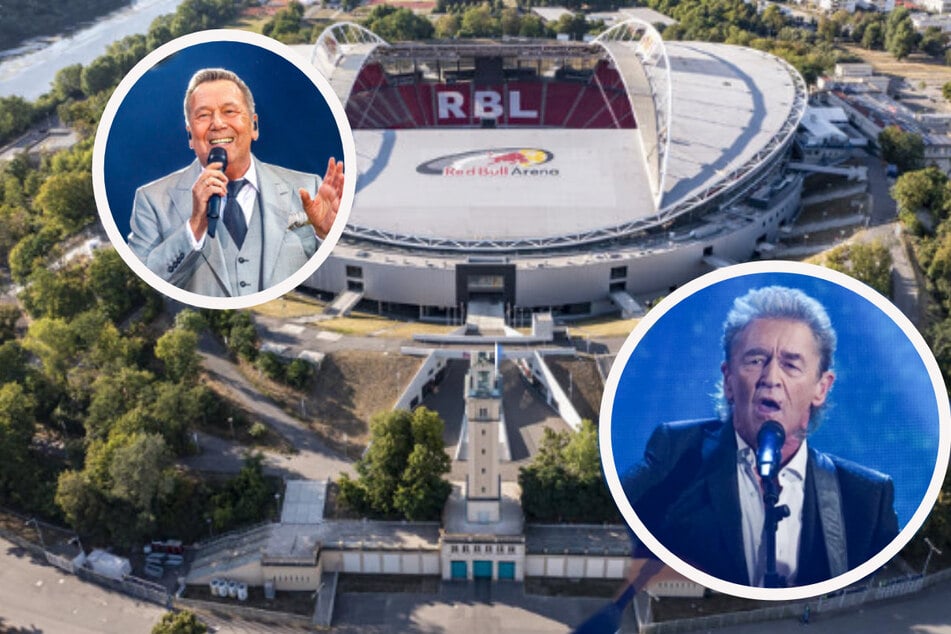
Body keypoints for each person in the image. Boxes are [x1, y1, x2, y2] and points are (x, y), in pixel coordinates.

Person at [621, 285, 899, 588]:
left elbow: (881, 593)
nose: (771, 378)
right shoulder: (677, 454)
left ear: (821, 387)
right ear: (728, 380)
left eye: (791, 364)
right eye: (756, 360)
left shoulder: (866, 497)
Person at [127, 68, 344, 297]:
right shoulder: (151, 201)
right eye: (203, 115)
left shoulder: (308, 188)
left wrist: (326, 236)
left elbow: (331, 283)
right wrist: (194, 227)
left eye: (229, 111)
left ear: (254, 126)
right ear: (190, 135)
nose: (218, 123)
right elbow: (143, 288)